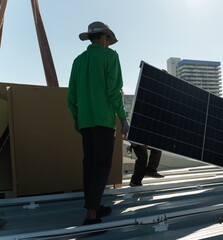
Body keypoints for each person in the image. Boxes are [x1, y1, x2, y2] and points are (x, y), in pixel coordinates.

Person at [68, 21, 129, 225]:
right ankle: (91, 216)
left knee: (90, 165)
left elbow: (71, 96)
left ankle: (94, 205)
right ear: (105, 37)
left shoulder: (78, 61)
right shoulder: (110, 56)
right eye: (109, 40)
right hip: (104, 122)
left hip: (85, 123)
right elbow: (114, 91)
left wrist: (77, 119)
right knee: (101, 167)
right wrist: (123, 117)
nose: (109, 44)